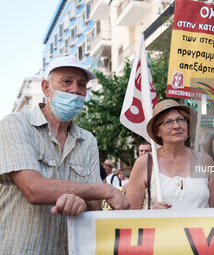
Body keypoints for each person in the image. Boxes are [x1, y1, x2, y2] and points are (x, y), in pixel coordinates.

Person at [0, 56, 129, 254]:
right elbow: (33, 188)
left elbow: (94, 208)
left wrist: (80, 202)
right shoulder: (15, 124)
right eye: (66, 82)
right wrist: (106, 191)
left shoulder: (88, 140)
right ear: (46, 88)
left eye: (82, 85)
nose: (75, 90)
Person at [126, 99, 214, 209]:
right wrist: (151, 214)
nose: (176, 126)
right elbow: (130, 215)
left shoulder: (205, 160)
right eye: (168, 122)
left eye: (181, 119)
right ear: (157, 132)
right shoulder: (145, 163)